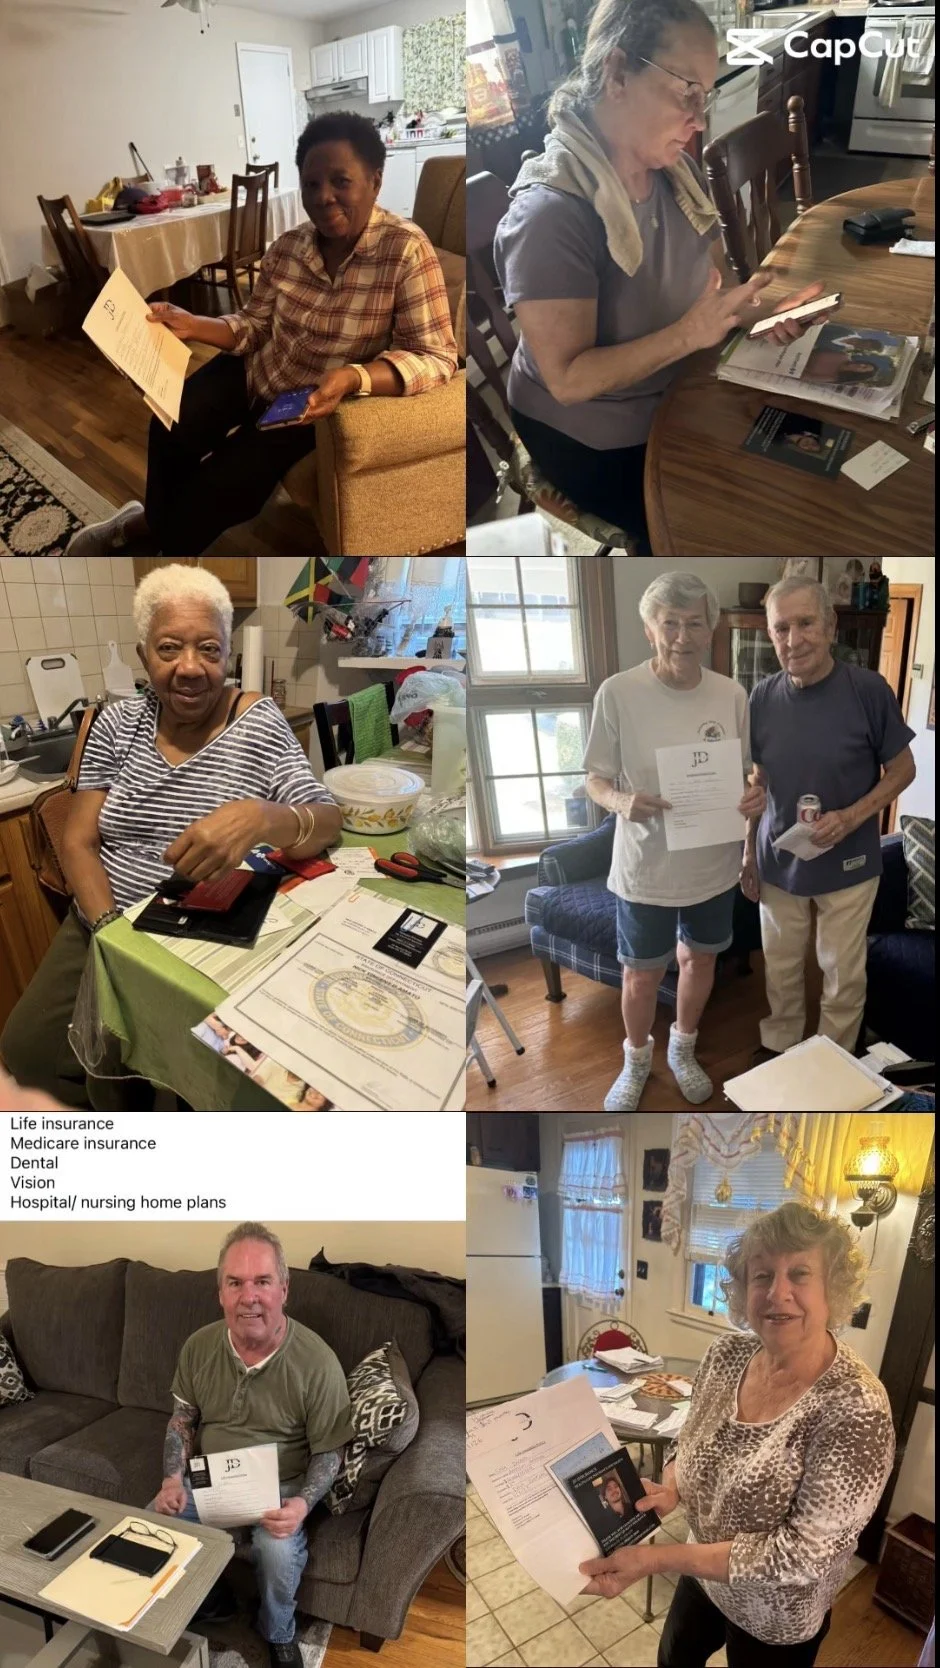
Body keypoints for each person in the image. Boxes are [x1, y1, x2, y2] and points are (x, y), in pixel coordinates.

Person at [0, 564, 343, 1110]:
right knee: (30, 1051)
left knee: (215, 1078)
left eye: (209, 649)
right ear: (143, 656)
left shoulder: (255, 721)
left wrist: (260, 816)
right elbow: (79, 842)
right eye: (169, 649)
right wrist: (113, 936)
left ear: (228, 654)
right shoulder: (118, 722)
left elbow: (326, 818)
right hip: (105, 916)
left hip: (209, 926)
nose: (190, 668)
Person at [492, 0, 829, 548]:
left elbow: (713, 292)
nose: (700, 119)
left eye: (707, 94)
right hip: (591, 431)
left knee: (799, 468)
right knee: (716, 527)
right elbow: (569, 380)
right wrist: (691, 336)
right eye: (686, 91)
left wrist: (763, 314)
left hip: (679, 381)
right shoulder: (551, 213)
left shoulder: (676, 171)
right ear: (617, 72)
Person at [66, 111, 458, 559]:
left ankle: (152, 545)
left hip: (308, 404)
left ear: (375, 180)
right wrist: (192, 324)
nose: (324, 197)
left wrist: (355, 377)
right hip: (257, 369)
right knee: (170, 422)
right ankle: (151, 527)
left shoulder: (406, 250)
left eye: (341, 182)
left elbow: (436, 355)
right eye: (311, 184)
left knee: (225, 486)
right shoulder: (289, 247)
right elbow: (253, 327)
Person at [578, 1202, 896, 1668]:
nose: (777, 1293)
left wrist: (657, 1559)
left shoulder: (857, 1408)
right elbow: (691, 1442)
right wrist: (671, 1487)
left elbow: (800, 1557)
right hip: (703, 1581)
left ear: (833, 1289)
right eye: (762, 1275)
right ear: (744, 1288)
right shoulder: (725, 1354)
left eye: (800, 1273)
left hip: (775, 1618)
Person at [583, 570, 766, 1111]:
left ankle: (682, 1050)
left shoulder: (731, 694)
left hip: (712, 862)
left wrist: (755, 800)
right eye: (670, 623)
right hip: (646, 866)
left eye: (695, 623)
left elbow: (747, 773)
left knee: (700, 961)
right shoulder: (618, 692)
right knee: (640, 975)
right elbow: (593, 777)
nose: (683, 636)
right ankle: (636, 1060)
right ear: (650, 629)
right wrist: (621, 802)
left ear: (711, 629)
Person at [152, 1224, 354, 1668]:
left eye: (262, 1281)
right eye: (235, 1282)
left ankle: (279, 1632)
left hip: (280, 1487)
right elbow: (183, 1418)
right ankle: (212, 1603)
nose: (249, 1296)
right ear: (220, 1292)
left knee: (276, 1550)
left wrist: (301, 1505)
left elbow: (330, 1451)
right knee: (155, 1524)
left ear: (283, 1288)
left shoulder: (316, 1361)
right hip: (211, 1480)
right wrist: (171, 1478)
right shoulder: (198, 1347)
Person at [739, 577, 916, 1065]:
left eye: (805, 623)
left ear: (831, 626)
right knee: (780, 965)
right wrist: (748, 850)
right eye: (781, 628)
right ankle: (780, 1045)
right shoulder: (760, 698)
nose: (793, 640)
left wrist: (853, 816)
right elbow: (759, 781)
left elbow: (903, 770)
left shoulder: (868, 690)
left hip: (851, 856)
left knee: (841, 970)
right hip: (780, 859)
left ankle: (834, 1060)